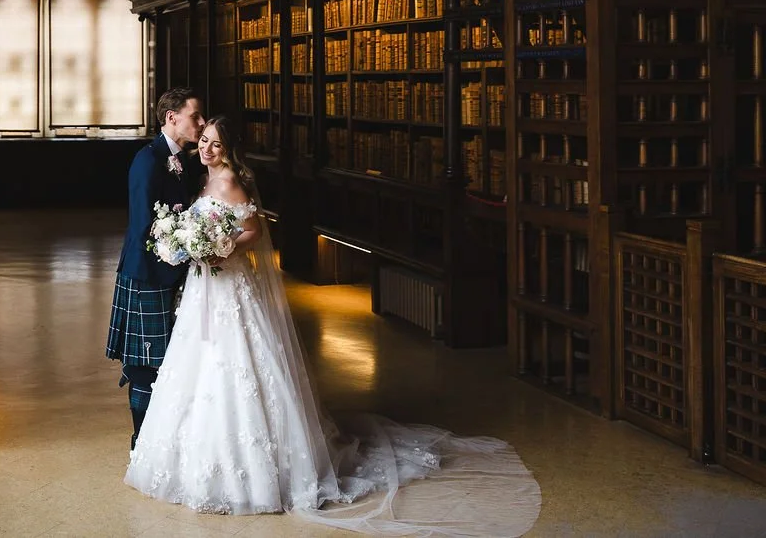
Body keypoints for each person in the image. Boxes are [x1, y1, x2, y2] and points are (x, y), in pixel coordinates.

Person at [125, 116, 541, 537]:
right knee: (197, 363)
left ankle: (258, 471)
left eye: (215, 144)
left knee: (237, 365)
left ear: (229, 149)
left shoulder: (231, 181)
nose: (208, 150)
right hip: (204, 291)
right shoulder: (202, 181)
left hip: (230, 286)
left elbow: (253, 229)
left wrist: (223, 247)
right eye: (205, 143)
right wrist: (188, 243)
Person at [106, 87, 205, 447]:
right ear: (171, 117)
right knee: (143, 365)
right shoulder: (148, 160)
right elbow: (146, 226)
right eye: (195, 116)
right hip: (148, 274)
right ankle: (140, 443)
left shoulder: (184, 160)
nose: (201, 123)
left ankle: (157, 439)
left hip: (170, 273)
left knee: (163, 361)